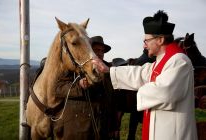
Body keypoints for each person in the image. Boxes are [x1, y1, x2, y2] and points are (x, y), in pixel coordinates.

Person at [92, 10, 198, 140]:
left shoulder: (179, 61)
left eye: (146, 40)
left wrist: (138, 91)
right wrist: (109, 70)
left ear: (160, 39)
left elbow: (163, 93)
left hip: (172, 134)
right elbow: (139, 73)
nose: (144, 45)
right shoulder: (161, 61)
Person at [53, 36, 113, 140]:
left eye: (102, 51)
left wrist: (114, 127)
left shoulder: (109, 70)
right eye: (96, 50)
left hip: (102, 129)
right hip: (77, 129)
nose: (100, 53)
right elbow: (58, 88)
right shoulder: (74, 66)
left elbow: (113, 100)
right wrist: (79, 86)